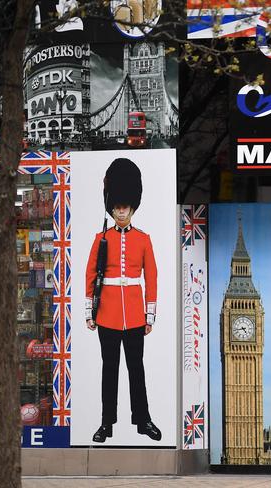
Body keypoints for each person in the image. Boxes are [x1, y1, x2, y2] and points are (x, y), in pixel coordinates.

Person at [85, 158, 161, 443]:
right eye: (117, 206)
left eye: (125, 206)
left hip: (134, 314)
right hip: (106, 313)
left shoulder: (143, 239)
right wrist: (89, 312)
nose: (121, 210)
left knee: (136, 370)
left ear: (132, 206)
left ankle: (142, 420)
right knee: (110, 371)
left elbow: (151, 278)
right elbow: (90, 274)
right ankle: (107, 424)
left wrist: (149, 315)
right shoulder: (100, 237)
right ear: (112, 206)